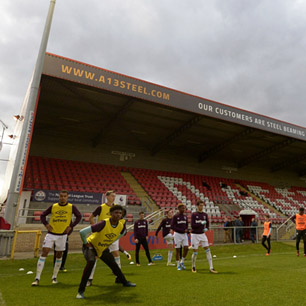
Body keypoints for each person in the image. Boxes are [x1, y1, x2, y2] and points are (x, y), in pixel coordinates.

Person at [76, 205, 136, 299]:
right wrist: (85, 243)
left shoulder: (120, 226)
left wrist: (110, 241)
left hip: (102, 248)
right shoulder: (103, 223)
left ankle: (124, 282)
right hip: (91, 246)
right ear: (111, 214)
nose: (118, 215)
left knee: (113, 264)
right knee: (91, 262)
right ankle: (80, 291)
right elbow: (82, 232)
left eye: (120, 213)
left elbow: (122, 234)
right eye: (116, 213)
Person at [31, 190, 81, 286]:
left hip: (62, 235)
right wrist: (46, 224)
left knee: (59, 255)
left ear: (67, 197)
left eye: (64, 196)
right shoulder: (53, 206)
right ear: (59, 196)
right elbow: (42, 215)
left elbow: (79, 216)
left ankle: (54, 277)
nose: (62, 198)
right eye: (61, 196)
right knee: (44, 252)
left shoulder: (71, 207)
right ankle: (37, 278)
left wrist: (71, 226)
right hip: (51, 234)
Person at [87, 192, 131, 286]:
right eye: (112, 196)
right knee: (96, 256)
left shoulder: (118, 208)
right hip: (102, 236)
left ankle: (118, 277)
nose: (114, 197)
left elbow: (122, 221)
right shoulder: (101, 207)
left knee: (116, 254)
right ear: (107, 197)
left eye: (115, 196)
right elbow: (91, 218)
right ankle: (90, 279)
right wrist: (95, 228)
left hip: (113, 235)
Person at [191, 201, 218, 274]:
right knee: (195, 252)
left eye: (202, 205)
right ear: (197, 206)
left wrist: (207, 228)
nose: (201, 207)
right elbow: (193, 225)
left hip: (202, 234)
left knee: (208, 250)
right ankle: (193, 266)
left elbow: (207, 223)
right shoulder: (194, 214)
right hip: (194, 234)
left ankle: (211, 268)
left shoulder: (205, 215)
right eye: (200, 205)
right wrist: (201, 223)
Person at [171, 203, 189, 271]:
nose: (183, 209)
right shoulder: (175, 216)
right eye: (182, 208)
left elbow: (186, 225)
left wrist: (186, 229)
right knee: (178, 250)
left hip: (184, 235)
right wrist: (182, 230)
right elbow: (172, 226)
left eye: (184, 208)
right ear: (179, 209)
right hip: (177, 234)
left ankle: (182, 262)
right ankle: (178, 265)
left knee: (186, 248)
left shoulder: (185, 217)